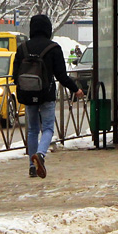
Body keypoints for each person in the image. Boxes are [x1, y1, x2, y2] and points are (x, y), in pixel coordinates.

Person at [12, 14, 83, 178]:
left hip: (28, 95)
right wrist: (75, 89)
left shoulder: (22, 48)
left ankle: (31, 165)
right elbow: (61, 76)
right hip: (46, 94)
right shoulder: (53, 48)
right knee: (48, 128)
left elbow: (15, 75)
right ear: (48, 29)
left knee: (32, 130)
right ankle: (41, 155)